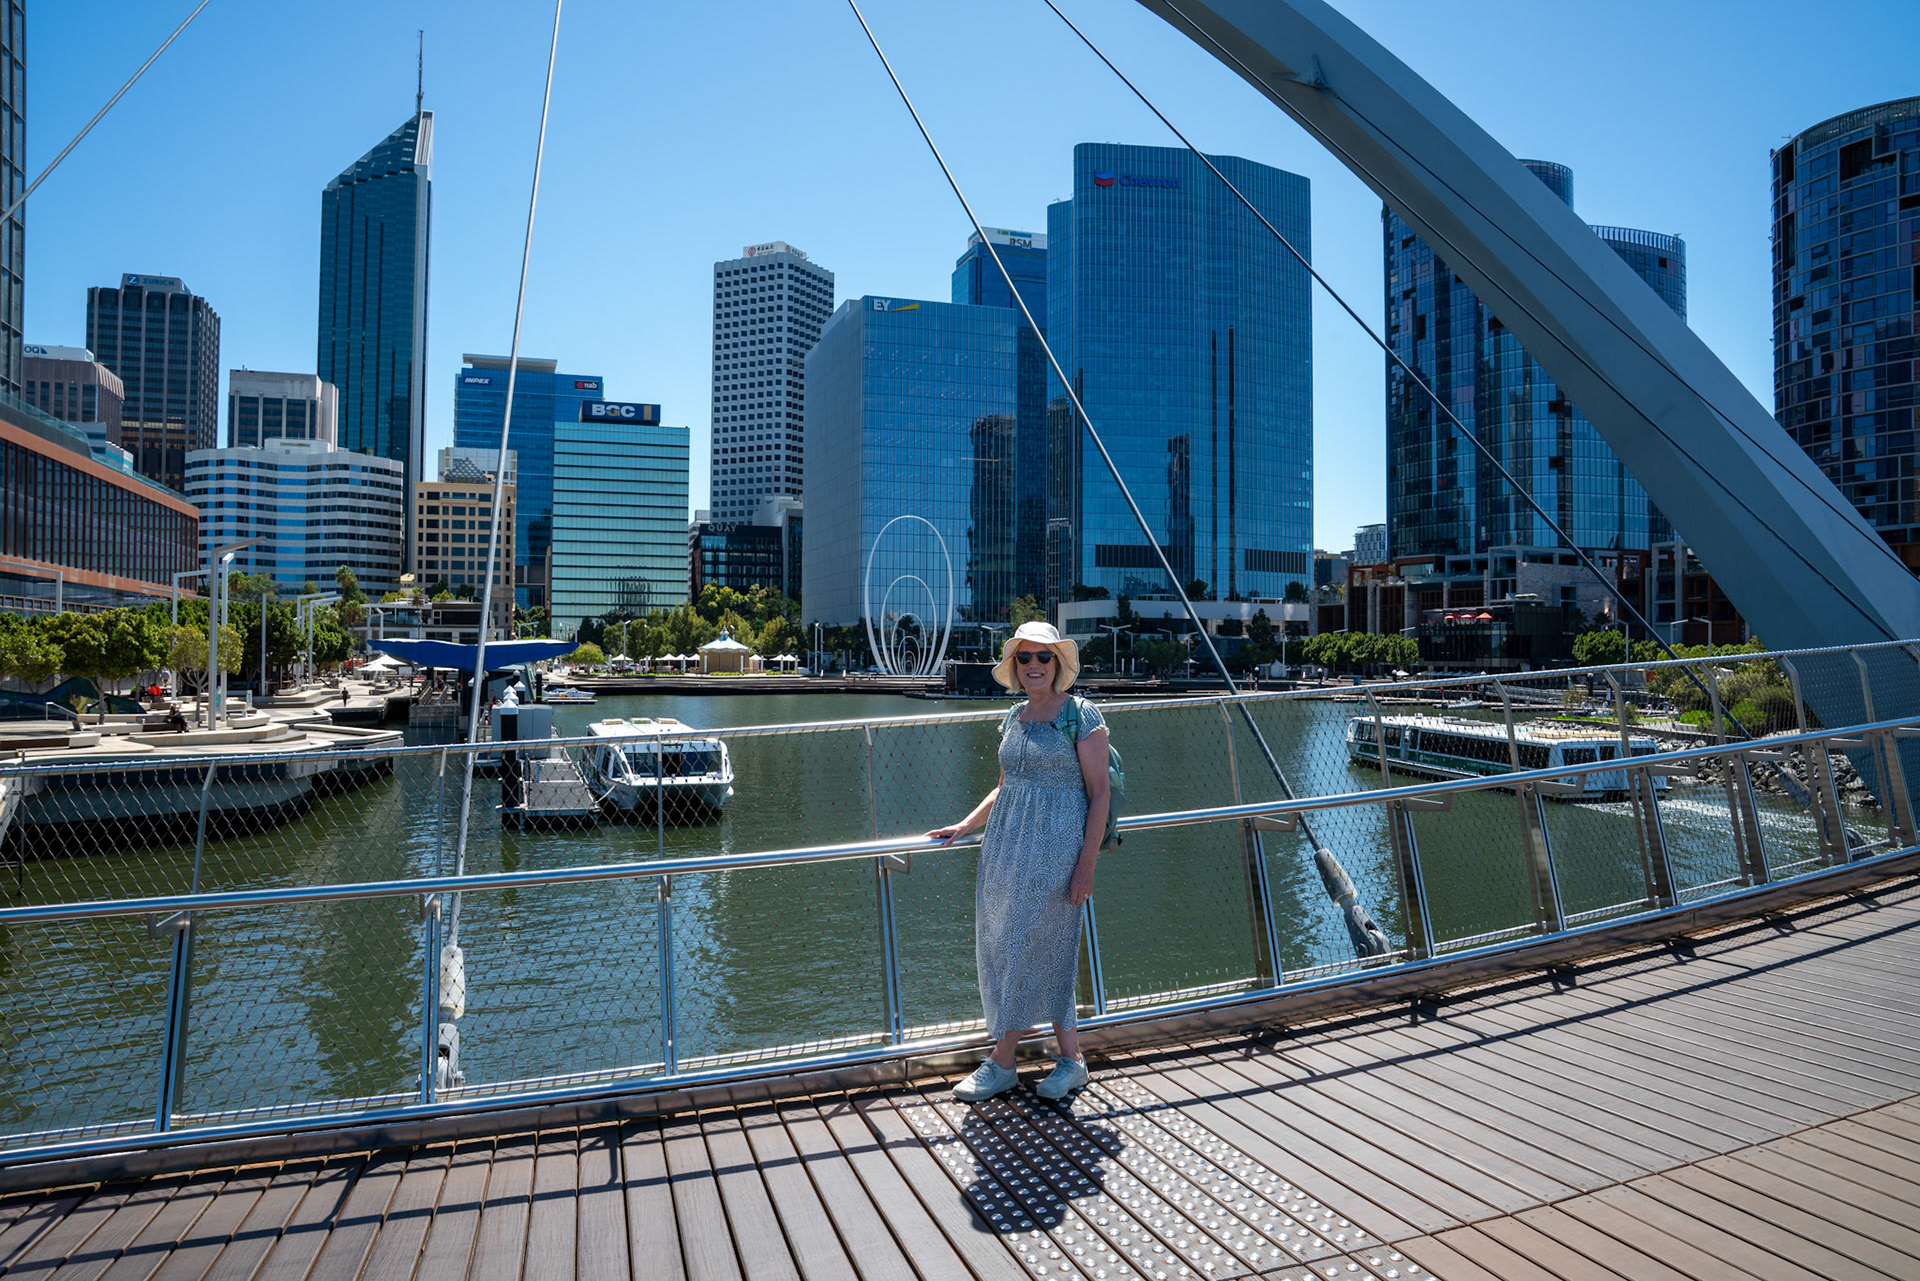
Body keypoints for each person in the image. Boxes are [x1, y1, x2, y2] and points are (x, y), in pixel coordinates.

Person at [928, 621, 1111, 1102]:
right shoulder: (1014, 717)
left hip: (1057, 849)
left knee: (1024, 946)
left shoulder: (1081, 715)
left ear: (1058, 664)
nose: (1034, 666)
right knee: (1021, 946)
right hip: (1006, 848)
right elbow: (1006, 786)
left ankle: (1002, 1060)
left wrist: (1086, 865)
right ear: (1014, 665)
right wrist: (965, 825)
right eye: (1024, 658)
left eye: (1043, 657)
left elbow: (1100, 794)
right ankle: (1071, 1061)